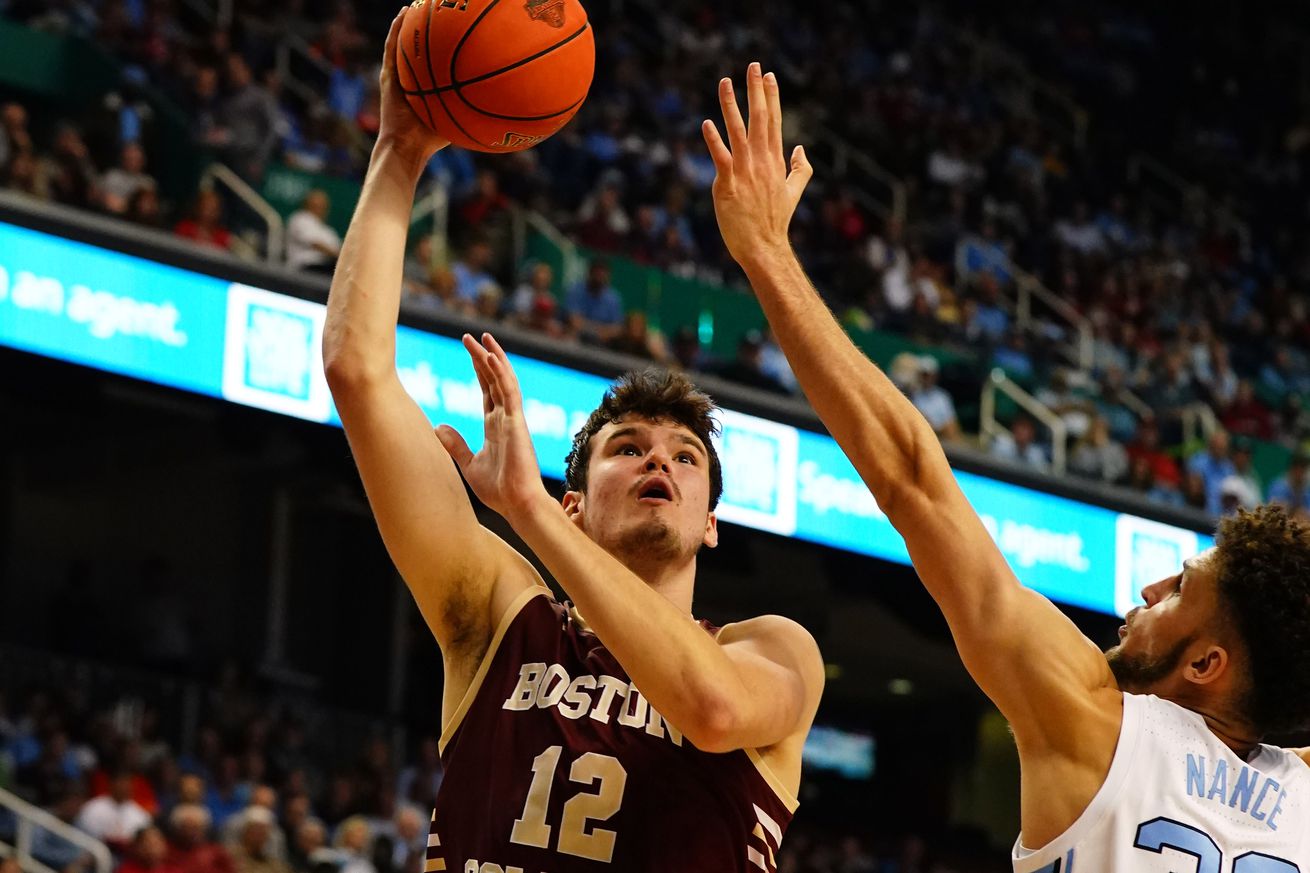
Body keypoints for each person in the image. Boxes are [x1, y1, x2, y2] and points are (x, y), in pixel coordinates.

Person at [702, 62, 1310, 868]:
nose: (1148, 590)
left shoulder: (1090, 717)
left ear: (1206, 664)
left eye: (1177, 592)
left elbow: (912, 476)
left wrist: (769, 256)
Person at [320, 17, 823, 870]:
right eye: (627, 447)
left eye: (685, 456)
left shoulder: (773, 648)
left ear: (711, 522)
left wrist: (524, 512)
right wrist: (399, 153)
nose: (659, 459)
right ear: (576, 502)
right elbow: (356, 372)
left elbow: (711, 709)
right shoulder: (500, 614)